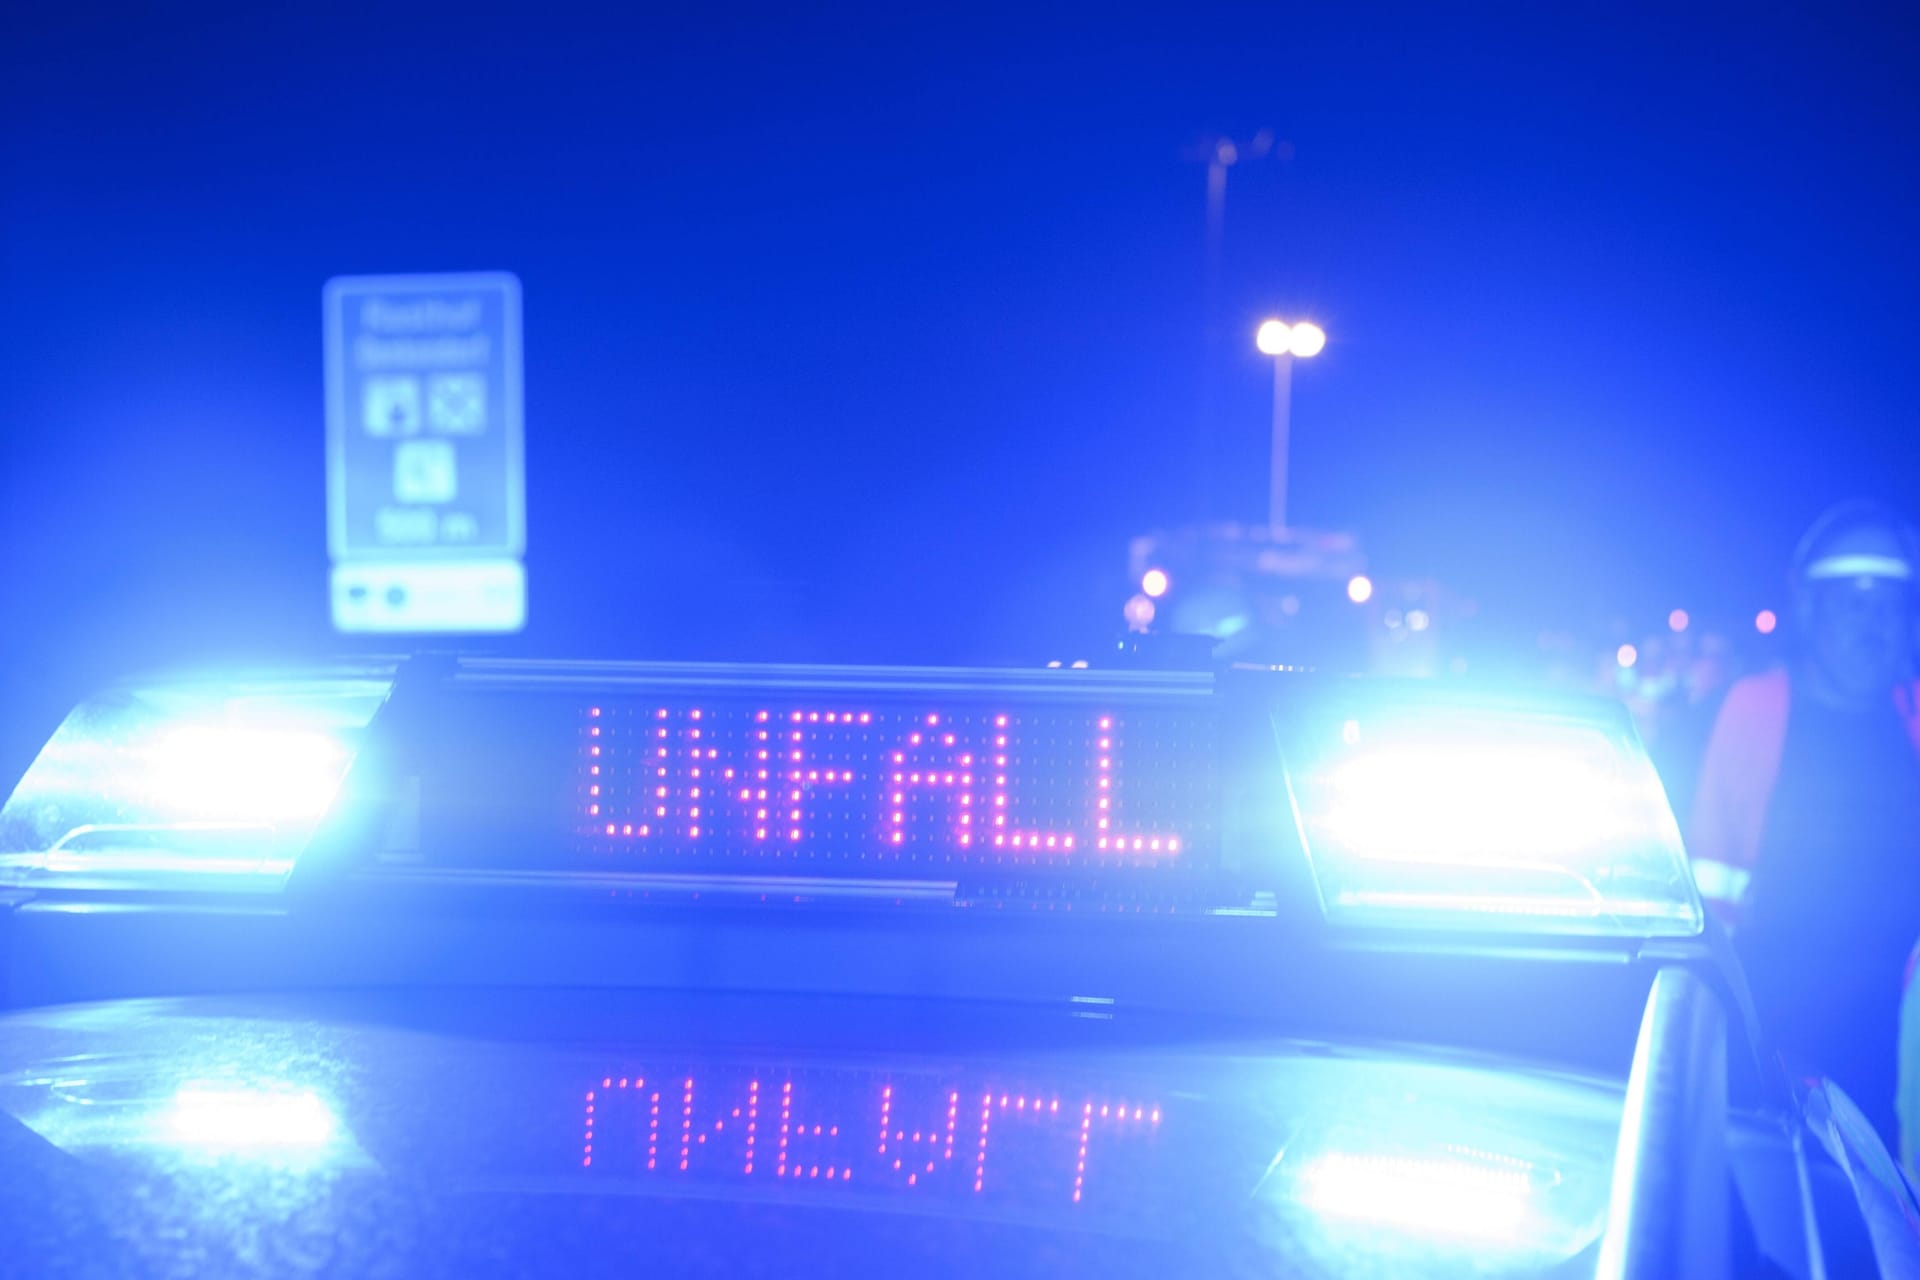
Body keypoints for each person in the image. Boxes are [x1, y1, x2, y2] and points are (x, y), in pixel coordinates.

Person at [1689, 500, 1920, 1146]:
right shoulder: (1740, 715)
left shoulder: (1913, 722)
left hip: (1882, 1067)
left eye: (1891, 606)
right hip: (1758, 1063)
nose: (1874, 625)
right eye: (1854, 602)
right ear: (1811, 610)